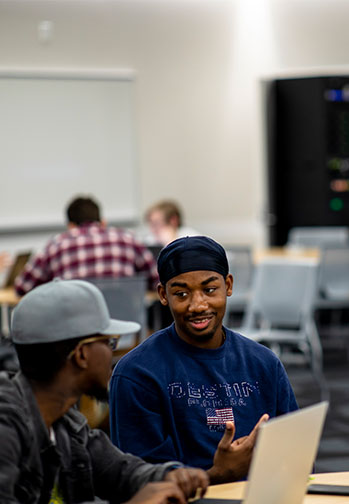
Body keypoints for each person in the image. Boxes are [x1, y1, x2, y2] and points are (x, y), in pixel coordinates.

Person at [0, 279, 210, 503]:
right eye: (109, 342)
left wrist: (173, 476)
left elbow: (119, 472)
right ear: (81, 355)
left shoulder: (63, 423)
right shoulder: (6, 429)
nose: (113, 355)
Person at [109, 236, 298, 477]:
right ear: (163, 294)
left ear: (228, 285)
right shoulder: (137, 373)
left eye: (209, 290)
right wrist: (220, 473)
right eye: (181, 294)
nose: (198, 305)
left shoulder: (263, 363)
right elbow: (143, 484)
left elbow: (296, 455)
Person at [14, 196, 158, 295]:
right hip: (124, 330)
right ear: (102, 222)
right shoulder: (128, 239)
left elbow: (22, 287)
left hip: (74, 332)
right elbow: (157, 280)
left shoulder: (56, 245)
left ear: (70, 226)